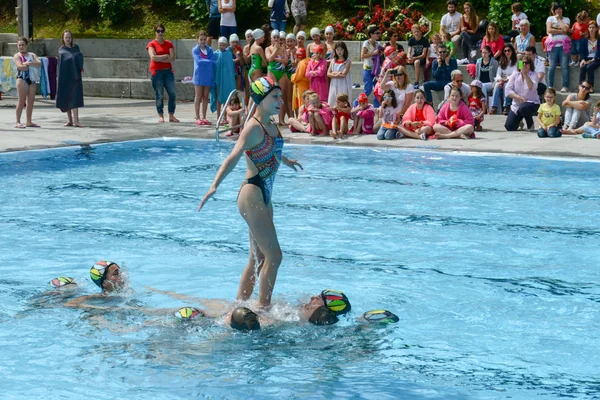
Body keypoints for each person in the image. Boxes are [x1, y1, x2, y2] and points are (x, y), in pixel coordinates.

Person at [198, 77, 302, 309]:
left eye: (279, 96)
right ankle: (264, 309)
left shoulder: (271, 124)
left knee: (258, 258)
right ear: (260, 99)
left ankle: (240, 304)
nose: (280, 100)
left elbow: (270, 150)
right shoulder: (253, 127)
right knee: (275, 256)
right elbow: (233, 156)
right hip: (252, 193)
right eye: (274, 97)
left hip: (265, 195)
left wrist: (286, 160)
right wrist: (214, 185)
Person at [146, 24, 178, 124]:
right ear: (155, 32)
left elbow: (172, 58)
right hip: (157, 72)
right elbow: (153, 58)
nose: (160, 33)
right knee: (159, 95)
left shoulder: (169, 43)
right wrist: (165, 56)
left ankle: (171, 115)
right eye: (158, 31)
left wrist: (160, 58)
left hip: (168, 71)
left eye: (162, 31)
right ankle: (160, 115)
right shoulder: (151, 44)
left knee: (172, 93)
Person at [56, 30, 84, 128]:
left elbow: (79, 57)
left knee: (75, 97)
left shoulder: (76, 48)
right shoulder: (61, 49)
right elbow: (63, 62)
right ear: (63, 38)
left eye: (69, 37)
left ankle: (76, 120)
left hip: (75, 76)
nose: (68, 39)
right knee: (67, 97)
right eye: (66, 37)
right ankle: (70, 121)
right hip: (65, 77)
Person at [504, 55, 540, 131]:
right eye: (522, 63)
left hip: (531, 102)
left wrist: (525, 74)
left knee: (524, 108)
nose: (524, 65)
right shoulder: (515, 74)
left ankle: (530, 124)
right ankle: (519, 121)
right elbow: (507, 90)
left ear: (530, 64)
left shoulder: (534, 74)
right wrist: (518, 97)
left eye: (526, 63)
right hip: (517, 104)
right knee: (509, 127)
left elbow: (532, 87)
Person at [13, 37, 42, 129]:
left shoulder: (32, 54)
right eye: (19, 45)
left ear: (26, 45)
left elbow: (39, 63)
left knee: (31, 101)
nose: (21, 47)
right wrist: (31, 64)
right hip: (22, 79)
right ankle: (18, 121)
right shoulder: (17, 55)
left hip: (32, 79)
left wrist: (28, 63)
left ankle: (29, 121)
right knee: (21, 101)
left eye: (23, 45)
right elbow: (20, 66)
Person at [266, 30, 290, 125]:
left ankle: (281, 120)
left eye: (278, 37)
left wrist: (276, 58)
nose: (276, 39)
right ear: (271, 39)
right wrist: (275, 50)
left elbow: (286, 61)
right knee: (271, 96)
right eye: (274, 37)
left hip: (281, 73)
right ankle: (269, 118)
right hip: (272, 72)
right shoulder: (268, 48)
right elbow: (269, 59)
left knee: (281, 96)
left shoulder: (283, 49)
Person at [546, 2, 570, 92]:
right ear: (554, 10)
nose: (558, 10)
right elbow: (549, 30)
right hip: (552, 46)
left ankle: (565, 86)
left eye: (560, 9)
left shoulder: (566, 19)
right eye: (557, 9)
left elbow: (566, 30)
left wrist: (559, 20)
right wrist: (561, 30)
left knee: (564, 66)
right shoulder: (550, 18)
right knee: (552, 67)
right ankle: (550, 86)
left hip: (564, 46)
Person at [192, 30, 216, 126]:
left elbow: (213, 60)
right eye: (201, 39)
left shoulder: (209, 50)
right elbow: (199, 61)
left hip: (208, 75)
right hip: (199, 76)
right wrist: (209, 61)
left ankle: (204, 117)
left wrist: (207, 61)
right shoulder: (195, 50)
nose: (203, 41)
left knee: (206, 96)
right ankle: (197, 117)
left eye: (204, 39)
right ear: (197, 40)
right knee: (198, 96)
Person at [490, 44, 517, 115]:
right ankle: (494, 107)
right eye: (505, 51)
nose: (507, 52)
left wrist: (506, 79)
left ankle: (506, 106)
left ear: (512, 51)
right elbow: (498, 74)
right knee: (496, 85)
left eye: (508, 50)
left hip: (513, 80)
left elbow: (517, 73)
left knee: (506, 85)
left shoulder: (517, 61)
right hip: (503, 80)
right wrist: (500, 80)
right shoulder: (501, 61)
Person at [361, 27, 382, 106]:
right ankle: (357, 103)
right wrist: (374, 53)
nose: (378, 35)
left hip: (376, 70)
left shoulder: (378, 44)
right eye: (377, 33)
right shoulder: (366, 43)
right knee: (368, 89)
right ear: (371, 34)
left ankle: (376, 107)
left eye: (379, 33)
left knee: (377, 90)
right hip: (367, 69)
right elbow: (362, 55)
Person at [327, 41, 352, 107]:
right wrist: (338, 73)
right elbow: (328, 74)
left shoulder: (347, 61)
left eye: (341, 49)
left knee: (342, 99)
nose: (339, 51)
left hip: (343, 84)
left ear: (344, 50)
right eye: (337, 49)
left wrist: (334, 73)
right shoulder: (333, 61)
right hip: (334, 84)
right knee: (333, 100)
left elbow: (343, 74)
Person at [579, 21, 600, 93]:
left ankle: (591, 87)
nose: (591, 29)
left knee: (589, 67)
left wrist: (593, 60)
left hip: (597, 59)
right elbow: (581, 51)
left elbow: (599, 52)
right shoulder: (584, 40)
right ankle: (581, 87)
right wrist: (583, 59)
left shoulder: (599, 40)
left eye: (593, 27)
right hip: (587, 59)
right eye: (590, 27)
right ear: (588, 29)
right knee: (583, 67)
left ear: (597, 29)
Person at [407, 24, 429, 89]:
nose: (416, 33)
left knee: (416, 62)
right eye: (414, 32)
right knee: (402, 61)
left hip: (422, 58)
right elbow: (409, 52)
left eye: (417, 31)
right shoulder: (411, 40)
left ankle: (416, 82)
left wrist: (414, 58)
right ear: (412, 33)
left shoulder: (424, 40)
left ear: (420, 32)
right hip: (414, 57)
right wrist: (409, 57)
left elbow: (423, 55)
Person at [291, 47, 310, 113]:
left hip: (302, 86)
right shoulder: (308, 61)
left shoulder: (302, 63)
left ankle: (303, 118)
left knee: (302, 102)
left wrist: (292, 77)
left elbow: (298, 76)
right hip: (308, 84)